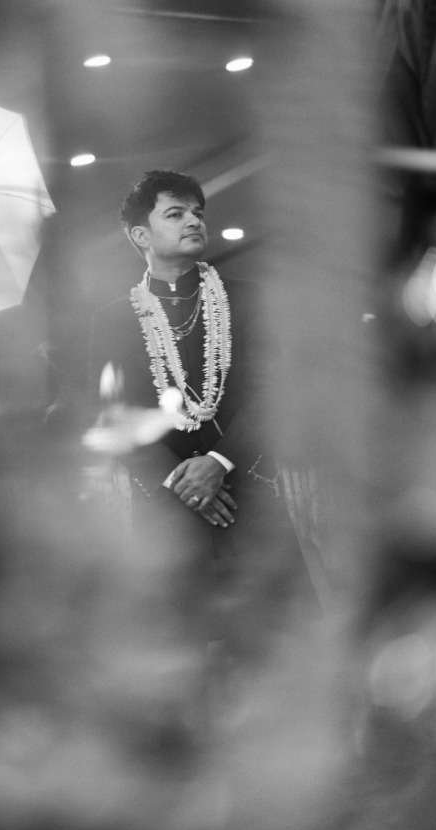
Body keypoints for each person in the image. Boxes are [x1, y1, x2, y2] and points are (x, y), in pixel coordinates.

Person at [88, 170, 307, 668]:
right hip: (163, 510)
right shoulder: (112, 318)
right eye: (175, 213)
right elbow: (109, 415)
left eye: (197, 212)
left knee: (265, 643)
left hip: (249, 491)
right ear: (141, 235)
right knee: (175, 650)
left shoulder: (247, 298)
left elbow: (276, 390)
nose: (193, 221)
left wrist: (219, 462)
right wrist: (179, 483)